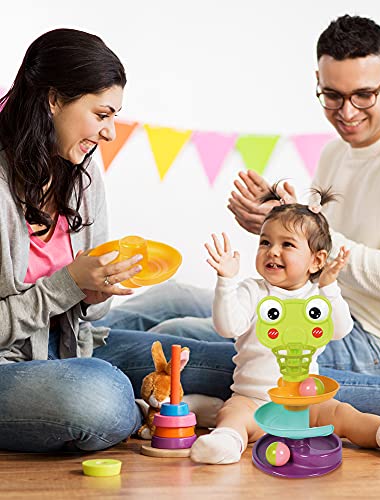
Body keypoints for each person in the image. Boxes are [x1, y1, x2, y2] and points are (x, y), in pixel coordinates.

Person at [96, 14, 380, 427]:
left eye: (363, 95)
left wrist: (310, 243)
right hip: (316, 304)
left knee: (181, 331)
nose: (347, 112)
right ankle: (72, 336)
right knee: (173, 297)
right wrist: (277, 226)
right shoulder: (335, 153)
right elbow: (311, 261)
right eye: (332, 95)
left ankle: (77, 362)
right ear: (318, 81)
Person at [0, 28, 237, 453]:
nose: (110, 132)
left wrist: (94, 291)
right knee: (101, 398)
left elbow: (92, 313)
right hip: (10, 365)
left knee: (232, 362)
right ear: (54, 100)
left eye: (115, 117)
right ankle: (146, 404)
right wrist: (69, 284)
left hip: (72, 344)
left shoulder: (80, 166)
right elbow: (59, 291)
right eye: (102, 114)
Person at [189, 186, 380, 465]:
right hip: (254, 401)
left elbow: (340, 330)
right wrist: (226, 281)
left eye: (287, 244)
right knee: (232, 413)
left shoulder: (318, 298)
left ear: (317, 260)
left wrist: (330, 288)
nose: (272, 251)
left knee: (346, 415)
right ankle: (226, 442)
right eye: (265, 242)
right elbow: (228, 327)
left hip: (306, 404)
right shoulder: (253, 291)